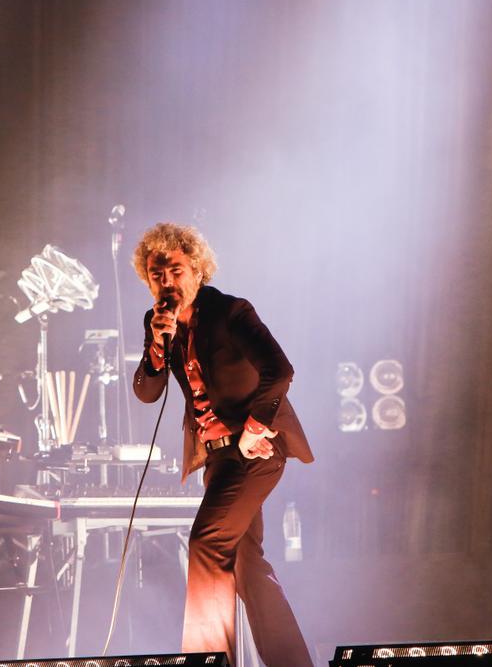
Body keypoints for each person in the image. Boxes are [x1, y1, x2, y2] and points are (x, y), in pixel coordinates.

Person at [131, 223, 314, 666]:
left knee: (206, 543)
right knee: (247, 568)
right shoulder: (160, 323)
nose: (167, 282)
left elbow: (280, 370)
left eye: (175, 270)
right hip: (218, 459)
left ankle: (207, 662)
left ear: (197, 271)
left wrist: (255, 424)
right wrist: (157, 347)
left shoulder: (231, 312)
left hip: (257, 449)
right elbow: (146, 391)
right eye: (157, 274)